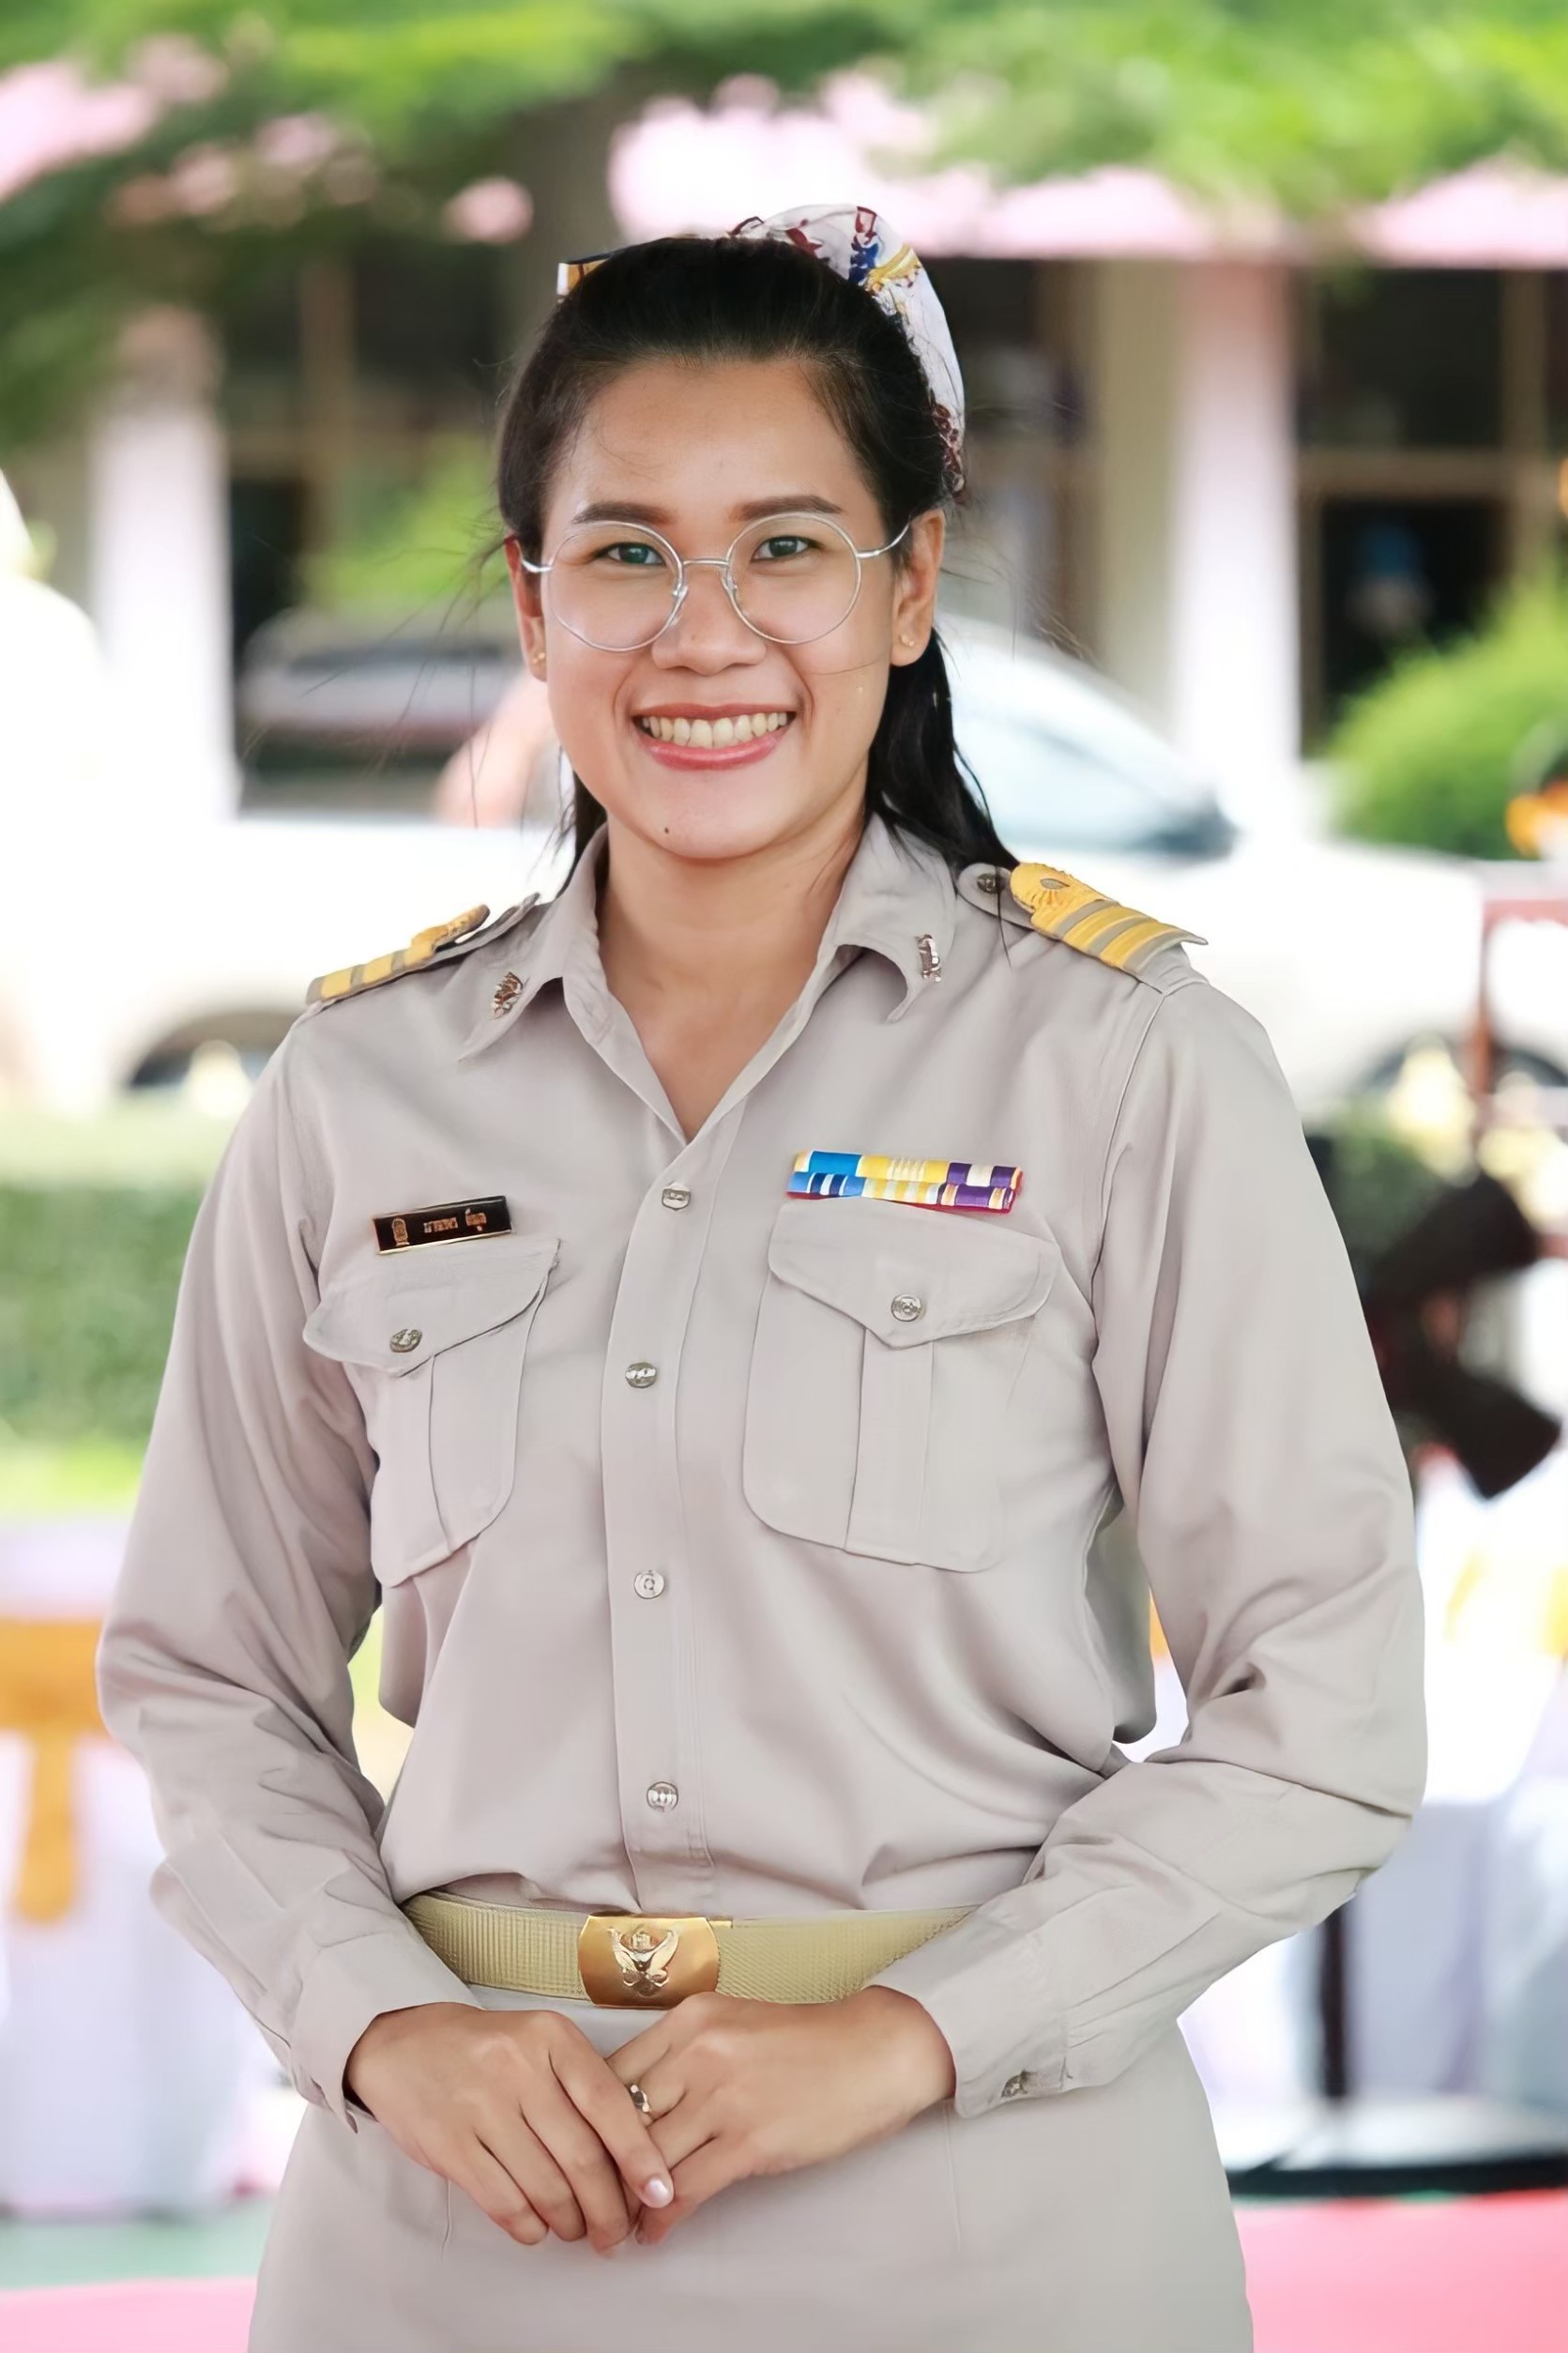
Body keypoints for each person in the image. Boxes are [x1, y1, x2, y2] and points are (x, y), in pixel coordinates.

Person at [95, 205, 1427, 2353]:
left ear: (906, 586)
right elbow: (206, 1673)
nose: (699, 632)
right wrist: (382, 2028)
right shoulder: (358, 1090)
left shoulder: (1123, 1066)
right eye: (624, 552)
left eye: (784, 546)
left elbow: (1325, 1709)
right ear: (533, 604)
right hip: (448, 2236)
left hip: (986, 2225)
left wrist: (914, 2033)